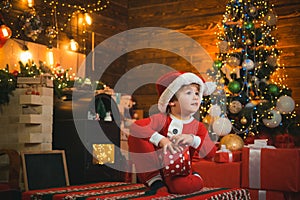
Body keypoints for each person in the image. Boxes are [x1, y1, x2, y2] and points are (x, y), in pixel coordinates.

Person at [128, 71, 217, 194]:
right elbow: (136, 127)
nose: (196, 97)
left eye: (197, 93)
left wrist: (193, 139)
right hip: (157, 167)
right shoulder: (161, 119)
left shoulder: (198, 127)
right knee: (136, 135)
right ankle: (154, 181)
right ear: (171, 101)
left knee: (181, 187)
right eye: (189, 93)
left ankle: (193, 177)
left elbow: (211, 152)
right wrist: (161, 140)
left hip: (178, 171)